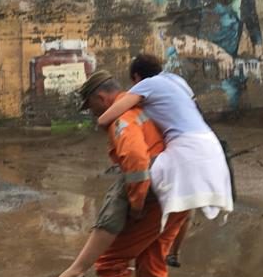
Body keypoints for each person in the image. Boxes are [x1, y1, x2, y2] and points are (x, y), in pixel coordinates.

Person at [77, 70, 193, 277]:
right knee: (153, 269)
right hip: (182, 189)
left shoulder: (122, 116)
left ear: (101, 97)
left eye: (91, 105)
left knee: (110, 263)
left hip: (160, 195)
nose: (93, 112)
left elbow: (137, 161)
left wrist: (137, 203)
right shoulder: (148, 107)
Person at [95, 54, 234, 236]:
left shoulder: (147, 85)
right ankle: (172, 253)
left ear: (136, 77)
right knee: (184, 200)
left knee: (138, 170)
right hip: (210, 144)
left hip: (186, 148)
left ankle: (127, 221)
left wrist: (111, 126)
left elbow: (105, 118)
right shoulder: (177, 80)